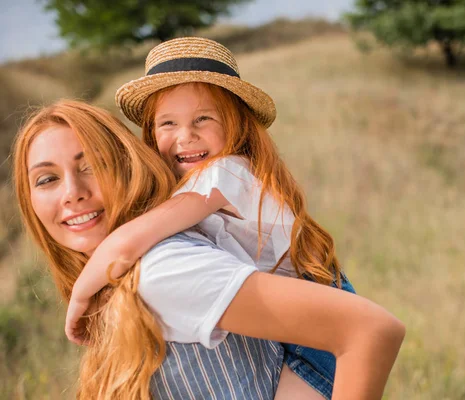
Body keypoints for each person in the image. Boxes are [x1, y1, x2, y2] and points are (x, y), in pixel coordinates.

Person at [14, 100, 405, 399]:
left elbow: (371, 328)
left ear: (126, 165)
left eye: (91, 166)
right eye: (46, 179)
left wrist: (84, 289)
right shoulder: (144, 267)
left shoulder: (163, 268)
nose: (73, 194)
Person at [66, 37, 364, 399]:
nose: (185, 136)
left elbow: (129, 242)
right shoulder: (203, 184)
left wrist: (81, 296)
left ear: (235, 124)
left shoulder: (226, 173)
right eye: (168, 123)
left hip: (317, 339)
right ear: (150, 132)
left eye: (203, 119)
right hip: (298, 331)